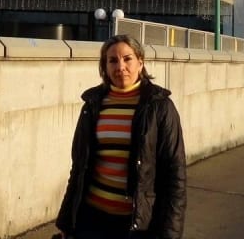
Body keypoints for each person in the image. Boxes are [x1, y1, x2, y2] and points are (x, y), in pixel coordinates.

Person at [54, 34, 186, 239]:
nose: (120, 66)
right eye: (112, 60)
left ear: (140, 63)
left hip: (136, 224)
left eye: (127, 59)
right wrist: (66, 222)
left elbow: (175, 175)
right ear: (104, 67)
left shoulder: (160, 106)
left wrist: (169, 234)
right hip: (91, 220)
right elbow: (79, 168)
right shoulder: (93, 104)